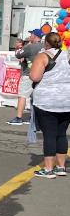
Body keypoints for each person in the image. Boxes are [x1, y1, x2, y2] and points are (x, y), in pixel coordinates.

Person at [29, 32, 70, 178]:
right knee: (61, 134)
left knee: (50, 134)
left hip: (47, 100)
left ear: (46, 43)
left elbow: (35, 77)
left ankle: (48, 169)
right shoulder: (68, 55)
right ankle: (60, 167)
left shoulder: (43, 56)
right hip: (67, 101)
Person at [8, 29, 43, 125]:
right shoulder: (45, 46)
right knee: (35, 97)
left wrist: (20, 47)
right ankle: (33, 117)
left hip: (28, 74)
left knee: (22, 96)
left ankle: (19, 117)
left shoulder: (30, 47)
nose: (30, 36)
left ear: (35, 36)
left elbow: (18, 55)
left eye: (31, 34)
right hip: (41, 75)